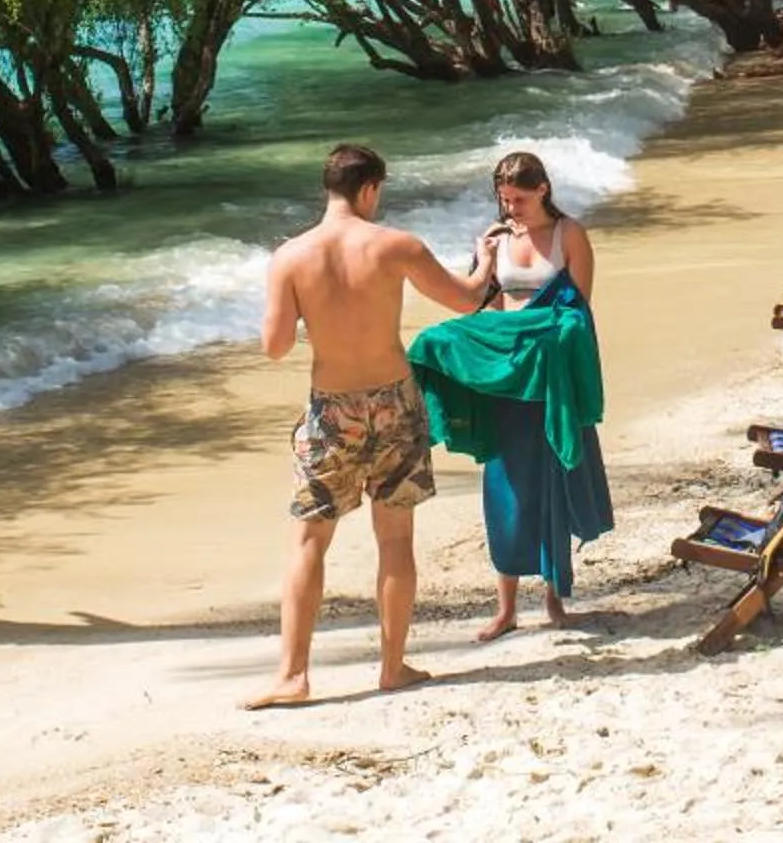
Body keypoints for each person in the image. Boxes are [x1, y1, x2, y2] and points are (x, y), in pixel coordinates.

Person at [250, 142, 478, 708]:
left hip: (333, 410)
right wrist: (487, 262)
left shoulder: (290, 257)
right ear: (370, 188)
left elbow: (275, 347)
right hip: (396, 404)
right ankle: (393, 666)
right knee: (395, 538)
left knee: (308, 541)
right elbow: (466, 300)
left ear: (328, 188)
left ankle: (293, 677)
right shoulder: (395, 245)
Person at [449, 151, 612, 639]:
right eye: (504, 200)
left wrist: (539, 335)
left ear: (543, 189)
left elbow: (577, 316)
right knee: (503, 484)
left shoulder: (570, 236)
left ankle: (554, 599)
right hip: (508, 375)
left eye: (518, 199)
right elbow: (486, 306)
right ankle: (505, 608)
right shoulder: (497, 240)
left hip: (552, 378)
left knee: (551, 481)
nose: (511, 209)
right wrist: (480, 260)